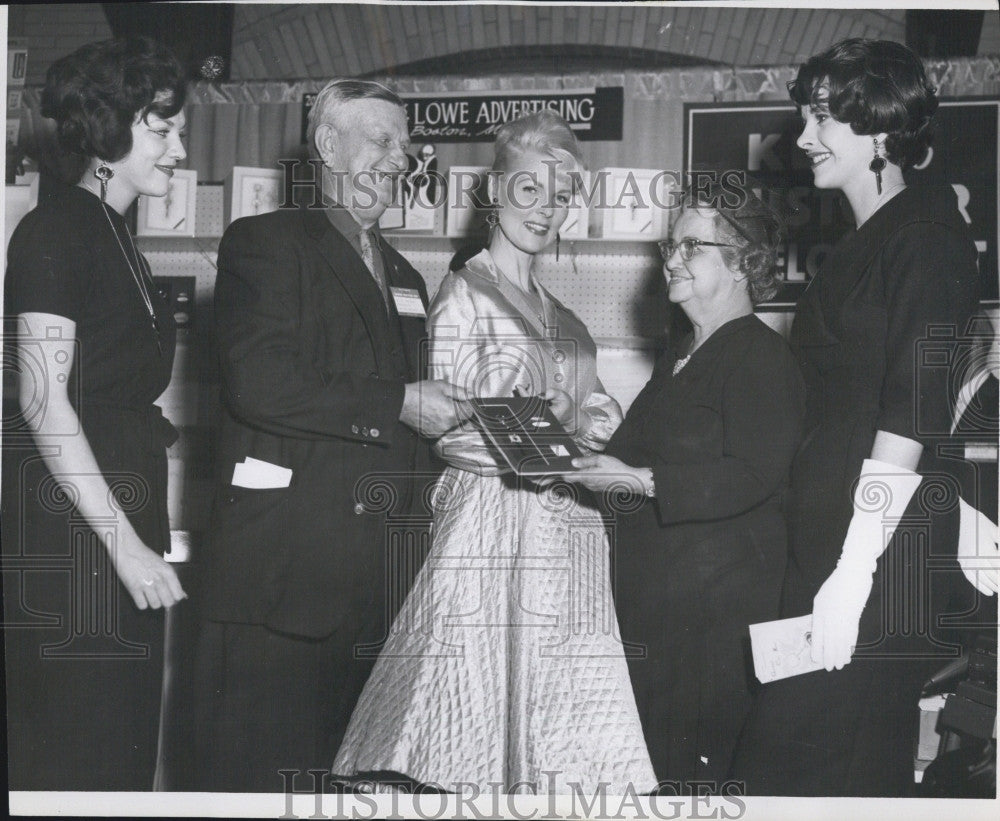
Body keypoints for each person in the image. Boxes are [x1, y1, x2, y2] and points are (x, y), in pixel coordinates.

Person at [332, 111, 657, 794]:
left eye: (562, 195)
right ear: (496, 192)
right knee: (467, 735)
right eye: (530, 190)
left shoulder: (563, 315)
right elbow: (450, 425)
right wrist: (551, 444)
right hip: (489, 530)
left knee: (566, 743)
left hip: (566, 536)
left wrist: (556, 438)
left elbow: (604, 410)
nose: (545, 210)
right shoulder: (463, 294)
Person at [187, 79, 468, 792]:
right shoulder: (266, 243)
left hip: (377, 592)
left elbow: (413, 420)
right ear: (326, 145)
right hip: (281, 589)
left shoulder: (406, 275)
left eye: (403, 146)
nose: (398, 158)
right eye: (381, 140)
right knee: (260, 786)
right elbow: (261, 382)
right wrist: (400, 401)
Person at [730, 39, 981, 796]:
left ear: (877, 126)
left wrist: (854, 570)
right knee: (825, 769)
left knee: (817, 769)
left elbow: (912, 410)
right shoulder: (867, 242)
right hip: (836, 544)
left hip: (871, 559)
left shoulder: (927, 236)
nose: (802, 139)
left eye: (821, 119)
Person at [561, 183, 805, 790]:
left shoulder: (760, 356)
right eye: (672, 243)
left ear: (744, 262)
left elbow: (752, 473)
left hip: (712, 634)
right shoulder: (680, 355)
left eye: (692, 246)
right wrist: (568, 448)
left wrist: (639, 482)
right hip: (659, 620)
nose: (670, 258)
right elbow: (626, 457)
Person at [1, 37, 188, 790]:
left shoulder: (119, 237)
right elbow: (44, 404)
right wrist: (127, 547)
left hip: (119, 516)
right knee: (77, 755)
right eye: (161, 126)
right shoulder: (54, 229)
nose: (178, 147)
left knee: (122, 748)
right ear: (109, 128)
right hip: (74, 534)